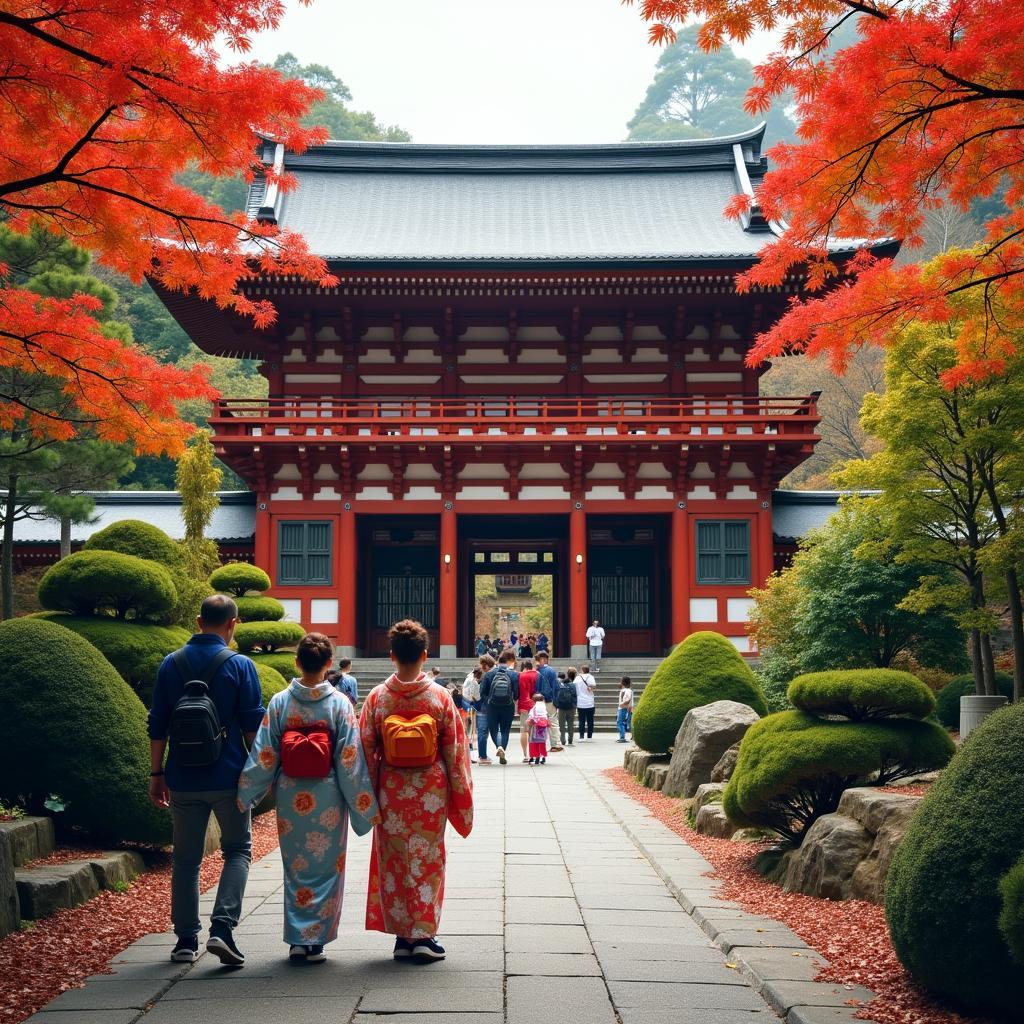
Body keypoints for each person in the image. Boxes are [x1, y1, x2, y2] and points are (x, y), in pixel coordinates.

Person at [237, 633, 379, 962]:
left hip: (292, 794)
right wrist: (363, 806)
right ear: (329, 664)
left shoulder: (280, 702)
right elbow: (349, 760)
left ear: (297, 662)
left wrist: (247, 790)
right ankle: (315, 941)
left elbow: (265, 754)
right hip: (327, 794)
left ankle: (298, 939)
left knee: (296, 867)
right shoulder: (340, 704)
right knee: (328, 867)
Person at [147, 594, 265, 967]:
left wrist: (157, 774)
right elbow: (251, 729)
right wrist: (258, 775)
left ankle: (185, 940)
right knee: (237, 850)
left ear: (199, 621)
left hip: (182, 777)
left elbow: (158, 723)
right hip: (229, 777)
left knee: (185, 858)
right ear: (233, 624)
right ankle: (222, 929)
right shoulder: (241, 665)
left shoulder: (171, 664)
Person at [359, 619, 473, 962]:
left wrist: (367, 796)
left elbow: (364, 750)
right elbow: (456, 751)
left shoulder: (378, 698)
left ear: (392, 655)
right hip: (429, 791)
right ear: (425, 655)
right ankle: (423, 933)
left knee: (393, 861)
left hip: (392, 790)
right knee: (427, 859)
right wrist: (461, 796)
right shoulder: (439, 696)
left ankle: (401, 938)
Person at [480, 649, 519, 765]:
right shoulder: (513, 674)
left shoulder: (489, 674)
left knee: (494, 730)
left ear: (497, 661)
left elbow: (482, 692)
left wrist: (489, 701)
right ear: (508, 662)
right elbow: (517, 694)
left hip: (492, 707)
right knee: (506, 730)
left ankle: (498, 746)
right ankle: (502, 748)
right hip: (508, 706)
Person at [534, 651, 563, 752]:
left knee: (539, 723)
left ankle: (539, 746)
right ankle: (556, 744)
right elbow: (555, 687)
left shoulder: (535, 671)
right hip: (549, 700)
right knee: (553, 722)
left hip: (537, 700)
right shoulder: (550, 671)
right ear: (545, 659)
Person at [474, 654, 495, 765]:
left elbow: (480, 693)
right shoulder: (495, 674)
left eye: (482, 664)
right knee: (493, 731)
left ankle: (482, 756)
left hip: (483, 706)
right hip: (494, 706)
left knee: (482, 731)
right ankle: (484, 755)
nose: (481, 667)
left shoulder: (484, 676)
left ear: (486, 665)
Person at [517, 659, 538, 763]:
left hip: (524, 705)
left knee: (524, 730)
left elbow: (518, 691)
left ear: (524, 667)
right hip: (536, 705)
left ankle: (526, 754)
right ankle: (535, 753)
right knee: (534, 731)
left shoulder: (521, 676)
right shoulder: (538, 675)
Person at [552, 667, 578, 747]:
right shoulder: (573, 685)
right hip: (571, 707)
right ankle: (570, 740)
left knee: (561, 725)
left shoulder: (560, 685)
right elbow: (575, 696)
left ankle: (562, 740)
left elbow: (557, 696)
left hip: (562, 708)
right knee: (570, 724)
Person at [462, 666, 482, 755]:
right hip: (470, 703)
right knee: (471, 725)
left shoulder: (467, 679)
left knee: (467, 724)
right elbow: (476, 695)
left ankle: (469, 743)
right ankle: (470, 744)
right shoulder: (473, 682)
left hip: (464, 702)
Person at [575, 663, 597, 741]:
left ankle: (581, 737)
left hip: (580, 702)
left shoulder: (577, 678)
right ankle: (589, 737)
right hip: (590, 702)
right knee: (590, 720)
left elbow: (574, 687)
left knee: (581, 720)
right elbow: (594, 686)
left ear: (582, 670)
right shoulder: (591, 677)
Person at [527, 693, 550, 765]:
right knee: (543, 742)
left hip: (535, 727)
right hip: (543, 727)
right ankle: (543, 756)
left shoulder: (534, 708)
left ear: (533, 700)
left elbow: (531, 717)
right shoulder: (544, 707)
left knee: (534, 742)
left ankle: (536, 756)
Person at [616, 676, 634, 743]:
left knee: (620, 722)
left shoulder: (628, 691)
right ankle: (624, 736)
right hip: (624, 708)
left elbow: (628, 699)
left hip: (624, 708)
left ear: (623, 682)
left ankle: (622, 737)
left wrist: (622, 704)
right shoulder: (626, 690)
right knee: (625, 723)